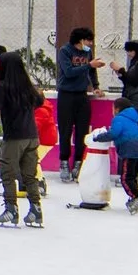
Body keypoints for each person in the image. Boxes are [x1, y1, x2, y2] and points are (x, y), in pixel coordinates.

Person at [0, 50, 46, 229]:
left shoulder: (3, 87)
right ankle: (36, 210)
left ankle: (11, 209)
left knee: (7, 173)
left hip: (14, 137)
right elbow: (39, 101)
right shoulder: (27, 86)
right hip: (32, 136)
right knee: (29, 175)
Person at [55, 26, 100, 180]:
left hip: (82, 95)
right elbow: (68, 72)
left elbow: (92, 72)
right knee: (65, 130)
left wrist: (96, 87)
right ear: (81, 40)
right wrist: (88, 65)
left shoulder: (87, 52)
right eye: (88, 40)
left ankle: (79, 163)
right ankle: (64, 162)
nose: (90, 44)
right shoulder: (65, 51)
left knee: (82, 131)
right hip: (66, 94)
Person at [111, 96, 138, 214]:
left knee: (125, 178)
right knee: (132, 177)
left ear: (117, 109)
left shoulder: (118, 119)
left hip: (129, 150)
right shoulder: (133, 118)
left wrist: (99, 137)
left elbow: (114, 133)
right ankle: (135, 197)